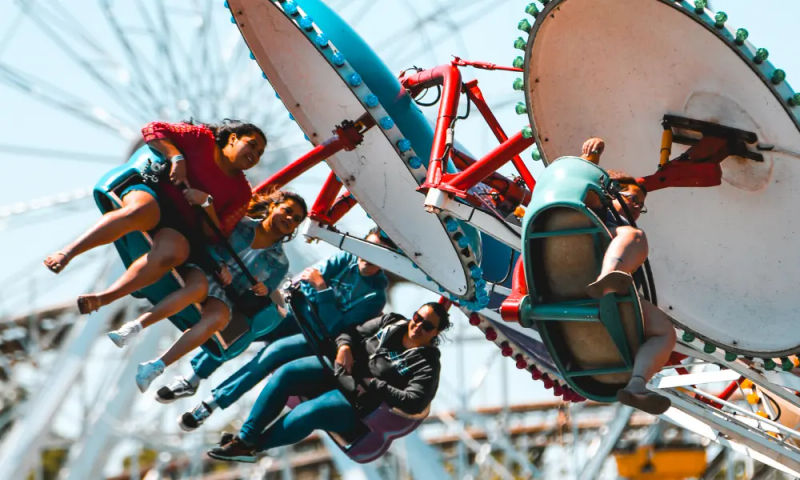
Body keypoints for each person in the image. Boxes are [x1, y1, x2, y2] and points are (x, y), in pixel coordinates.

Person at [168, 228, 397, 431]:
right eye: (367, 248)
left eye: (378, 254)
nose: (368, 257)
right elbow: (305, 283)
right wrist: (322, 298)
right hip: (294, 314)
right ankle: (192, 378)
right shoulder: (345, 258)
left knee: (274, 353)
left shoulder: (375, 296)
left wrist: (322, 289)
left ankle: (210, 405)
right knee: (245, 327)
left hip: (315, 337)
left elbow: (335, 327)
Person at [43, 119, 266, 315]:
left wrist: (206, 203)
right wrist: (176, 157)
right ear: (233, 138)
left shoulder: (241, 193)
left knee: (172, 253)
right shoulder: (201, 139)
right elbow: (153, 129)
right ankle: (68, 252)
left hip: (181, 226)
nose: (254, 155)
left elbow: (217, 234)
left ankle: (104, 298)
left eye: (259, 153)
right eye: (252, 145)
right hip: (155, 191)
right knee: (140, 212)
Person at [107, 190, 307, 392]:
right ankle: (135, 327)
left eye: (296, 219)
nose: (290, 219)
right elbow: (210, 240)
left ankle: (156, 366)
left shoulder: (280, 263)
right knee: (196, 289)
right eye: (287, 210)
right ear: (273, 206)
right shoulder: (240, 224)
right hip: (206, 270)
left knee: (219, 318)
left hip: (228, 294)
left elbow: (263, 293)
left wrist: (262, 290)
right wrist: (220, 264)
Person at [206, 302, 450, 463]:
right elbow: (351, 333)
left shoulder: (426, 365)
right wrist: (344, 347)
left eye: (427, 326)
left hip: (357, 403)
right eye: (417, 317)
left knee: (310, 411)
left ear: (436, 333)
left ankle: (248, 447)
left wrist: (376, 385)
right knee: (287, 373)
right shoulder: (392, 322)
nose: (418, 326)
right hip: (337, 371)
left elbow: (415, 402)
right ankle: (245, 438)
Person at [582, 158, 676, 415]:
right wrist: (590, 160)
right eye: (632, 199)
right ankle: (609, 276)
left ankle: (637, 385)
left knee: (665, 333)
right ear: (612, 194)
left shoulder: (624, 225)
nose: (636, 206)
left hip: (621, 291)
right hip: (588, 268)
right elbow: (585, 189)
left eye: (640, 205)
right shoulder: (600, 211)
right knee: (634, 236)